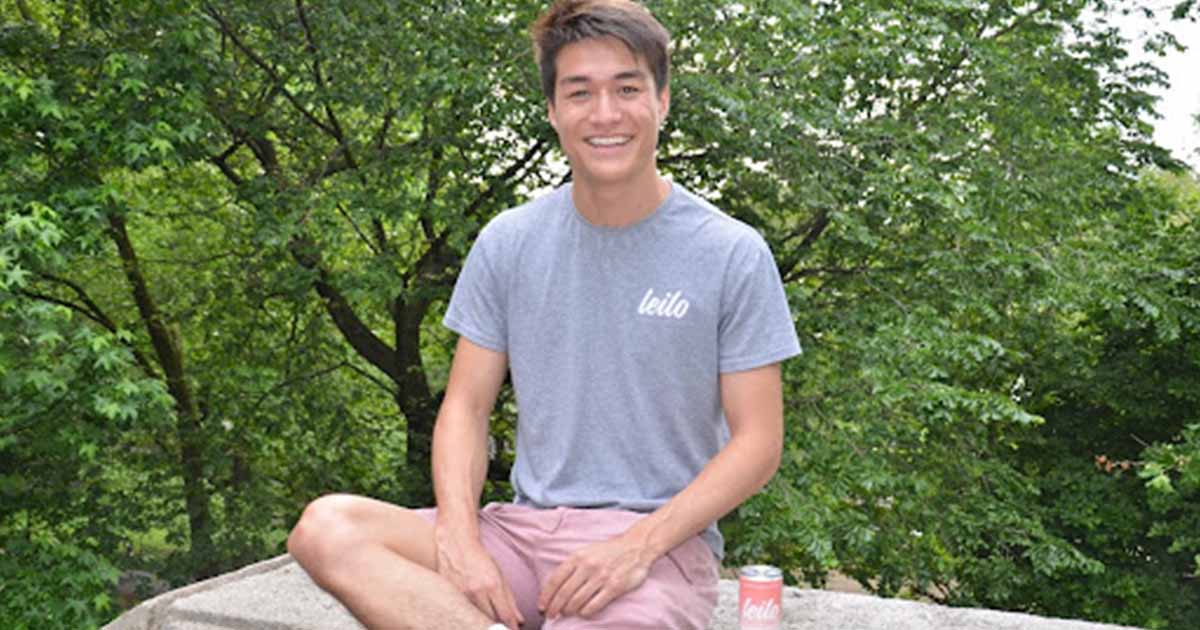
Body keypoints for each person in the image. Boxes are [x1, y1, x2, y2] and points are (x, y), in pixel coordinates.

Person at [285, 1, 801, 628]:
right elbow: (466, 408)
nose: (605, 114)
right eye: (579, 92)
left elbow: (758, 443)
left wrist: (636, 547)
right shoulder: (510, 241)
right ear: (553, 110)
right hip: (519, 535)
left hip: (656, 550)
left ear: (662, 100)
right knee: (328, 528)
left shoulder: (730, 253)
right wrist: (460, 541)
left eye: (627, 88)